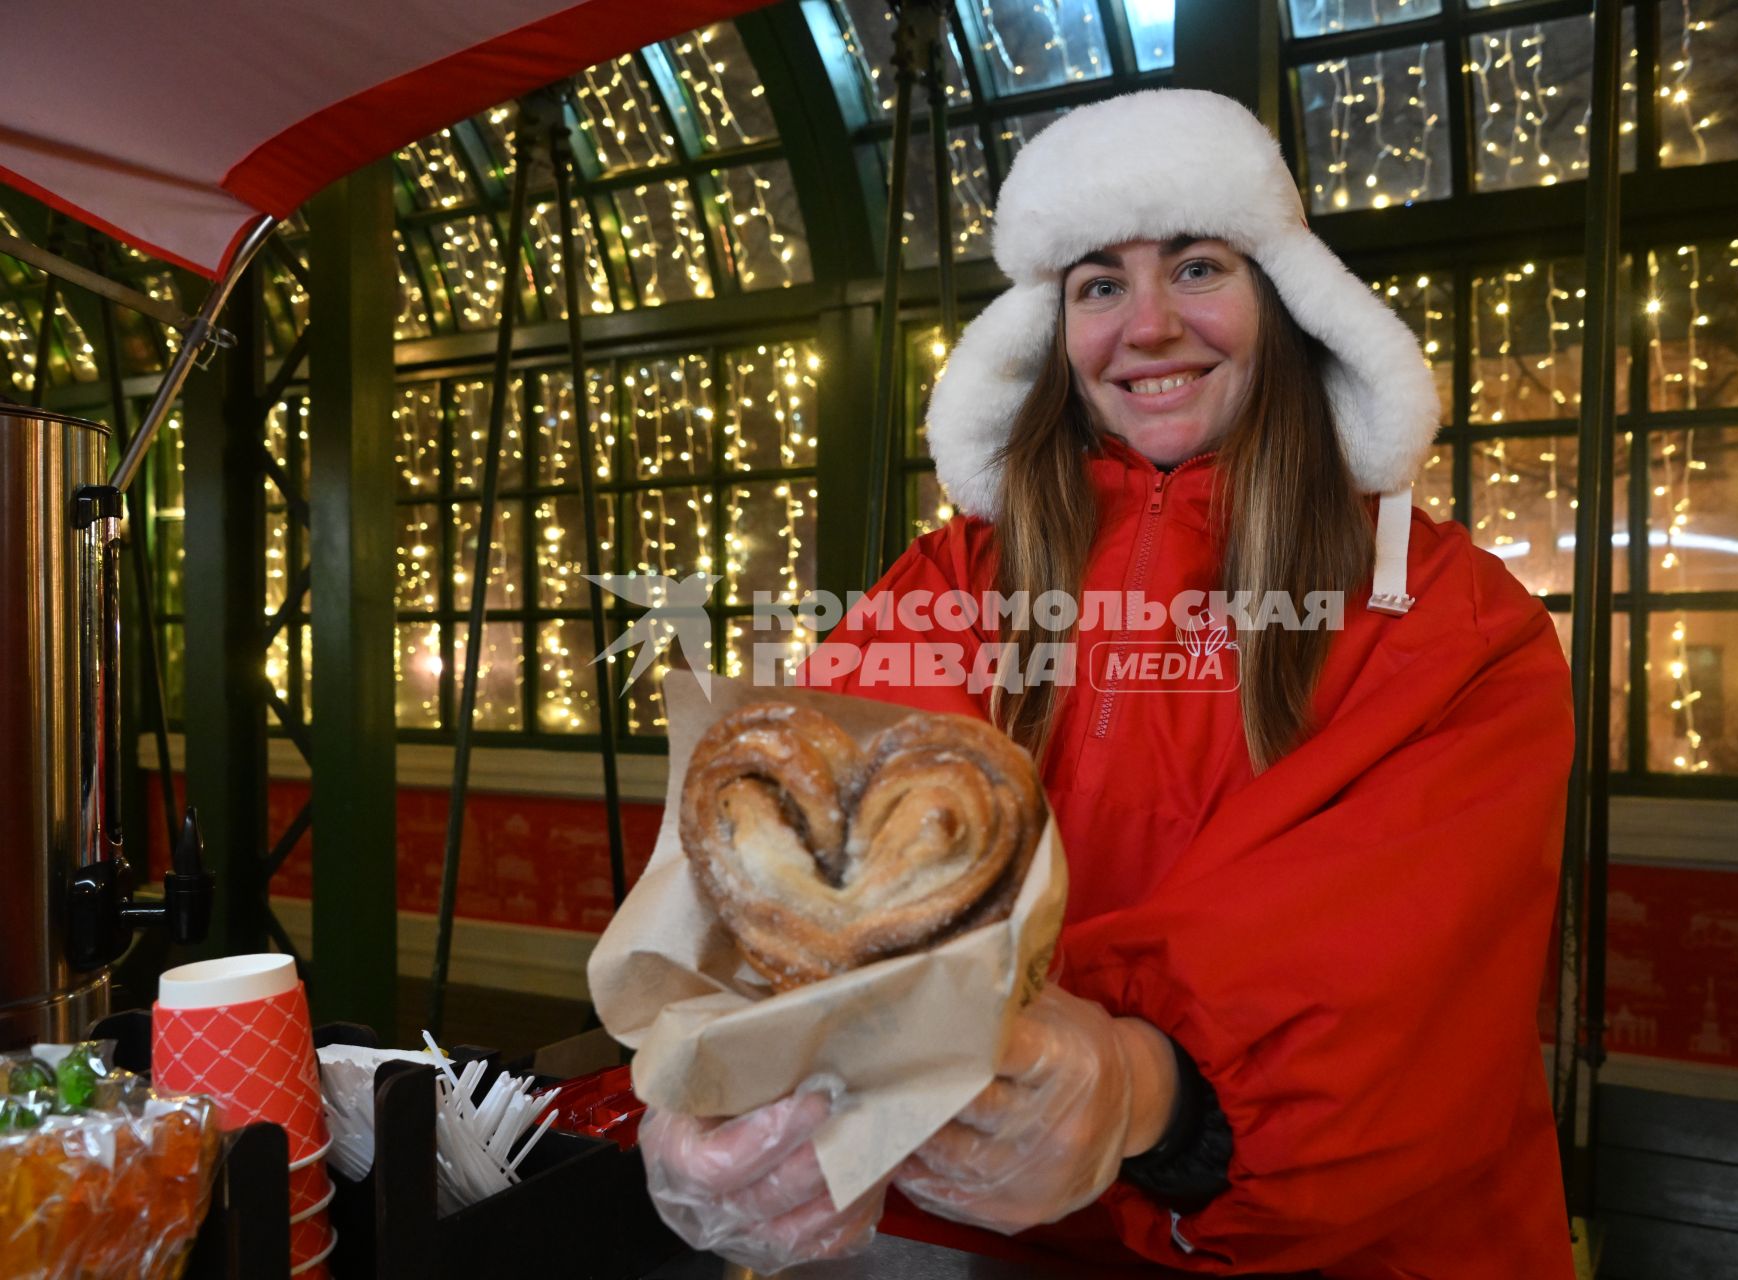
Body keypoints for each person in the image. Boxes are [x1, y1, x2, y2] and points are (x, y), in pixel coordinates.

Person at [639, 89, 1577, 1277]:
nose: (1147, 327)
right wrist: (711, 1063)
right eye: (1098, 284)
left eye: (1196, 265)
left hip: (1336, 1247)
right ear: (1051, 330)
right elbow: (802, 845)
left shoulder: (1453, 619)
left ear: (1285, 299)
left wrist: (1149, 1085)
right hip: (962, 1234)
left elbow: (1405, 959)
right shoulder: (953, 578)